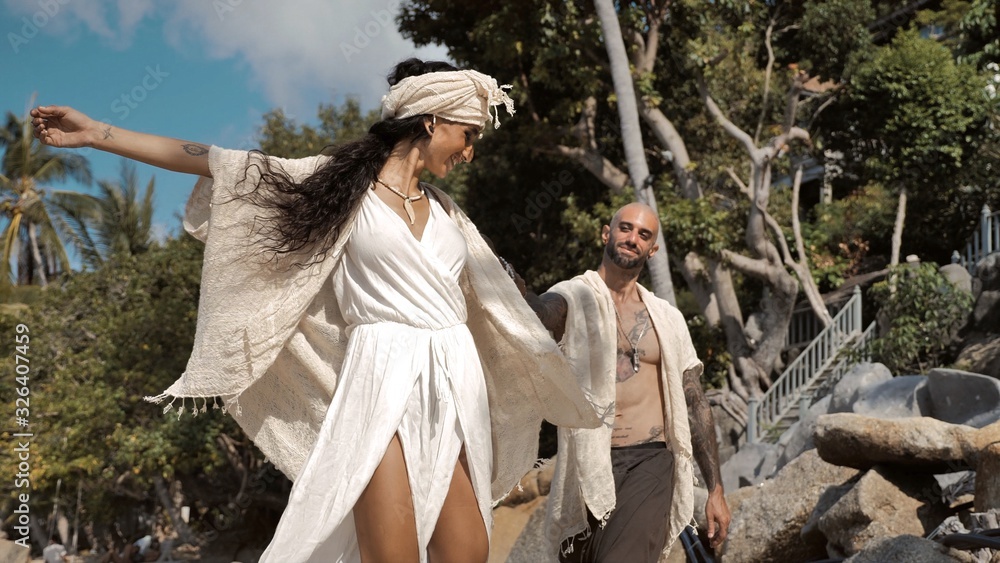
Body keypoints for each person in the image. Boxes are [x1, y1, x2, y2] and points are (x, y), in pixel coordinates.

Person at [31, 58, 598, 563]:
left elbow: (495, 303)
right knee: (393, 553)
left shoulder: (449, 213)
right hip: (379, 375)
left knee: (466, 550)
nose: (471, 150)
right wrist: (98, 134)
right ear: (431, 121)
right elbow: (220, 164)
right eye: (468, 133)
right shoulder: (340, 188)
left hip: (454, 383)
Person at [524, 203, 732, 562]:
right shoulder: (573, 296)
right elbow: (543, 316)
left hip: (650, 462)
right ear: (607, 233)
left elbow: (695, 402)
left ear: (653, 250)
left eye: (643, 234)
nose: (632, 238)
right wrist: (507, 282)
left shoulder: (667, 319)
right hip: (588, 463)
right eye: (625, 228)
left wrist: (715, 489)